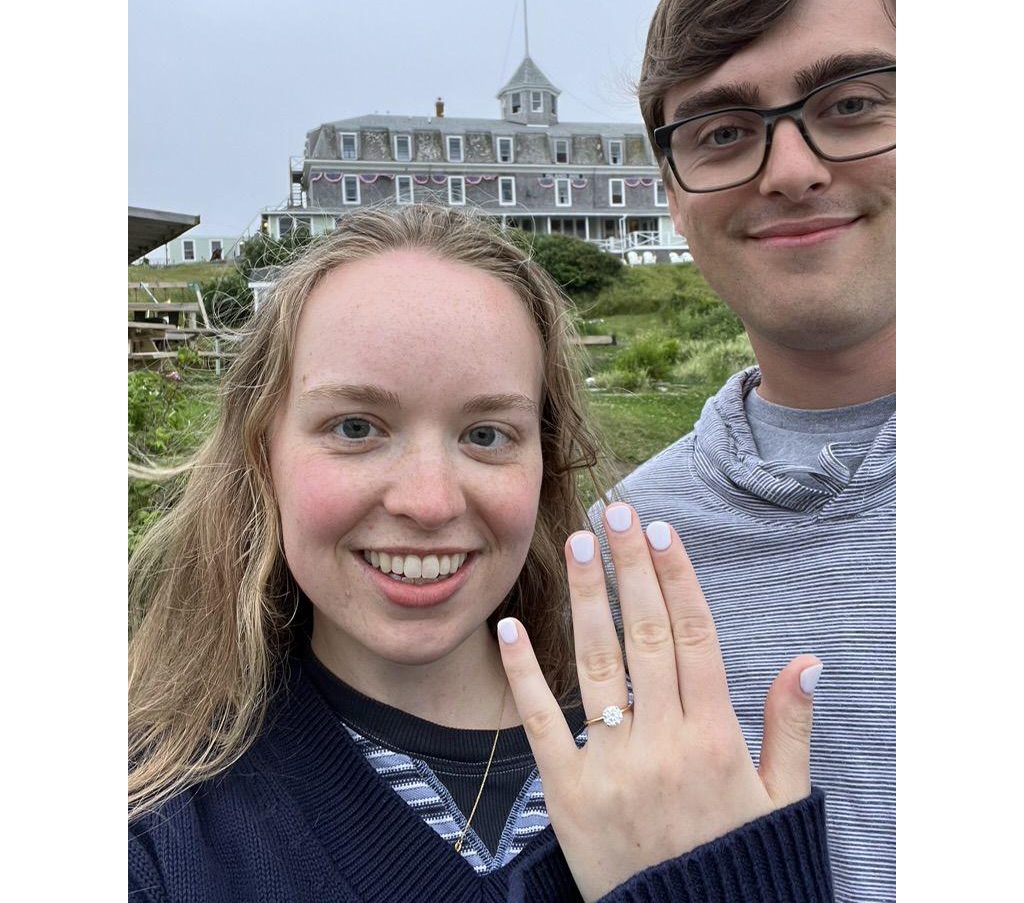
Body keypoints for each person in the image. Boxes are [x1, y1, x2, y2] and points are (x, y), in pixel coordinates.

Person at [129, 205, 834, 902]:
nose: (430, 501)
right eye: (355, 428)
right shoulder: (150, 829)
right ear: (263, 455)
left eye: (487, 435)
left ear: (545, 464)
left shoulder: (690, 770)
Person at [592, 0, 896, 903]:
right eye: (723, 131)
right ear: (673, 195)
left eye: (853, 104)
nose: (792, 171)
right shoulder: (620, 556)